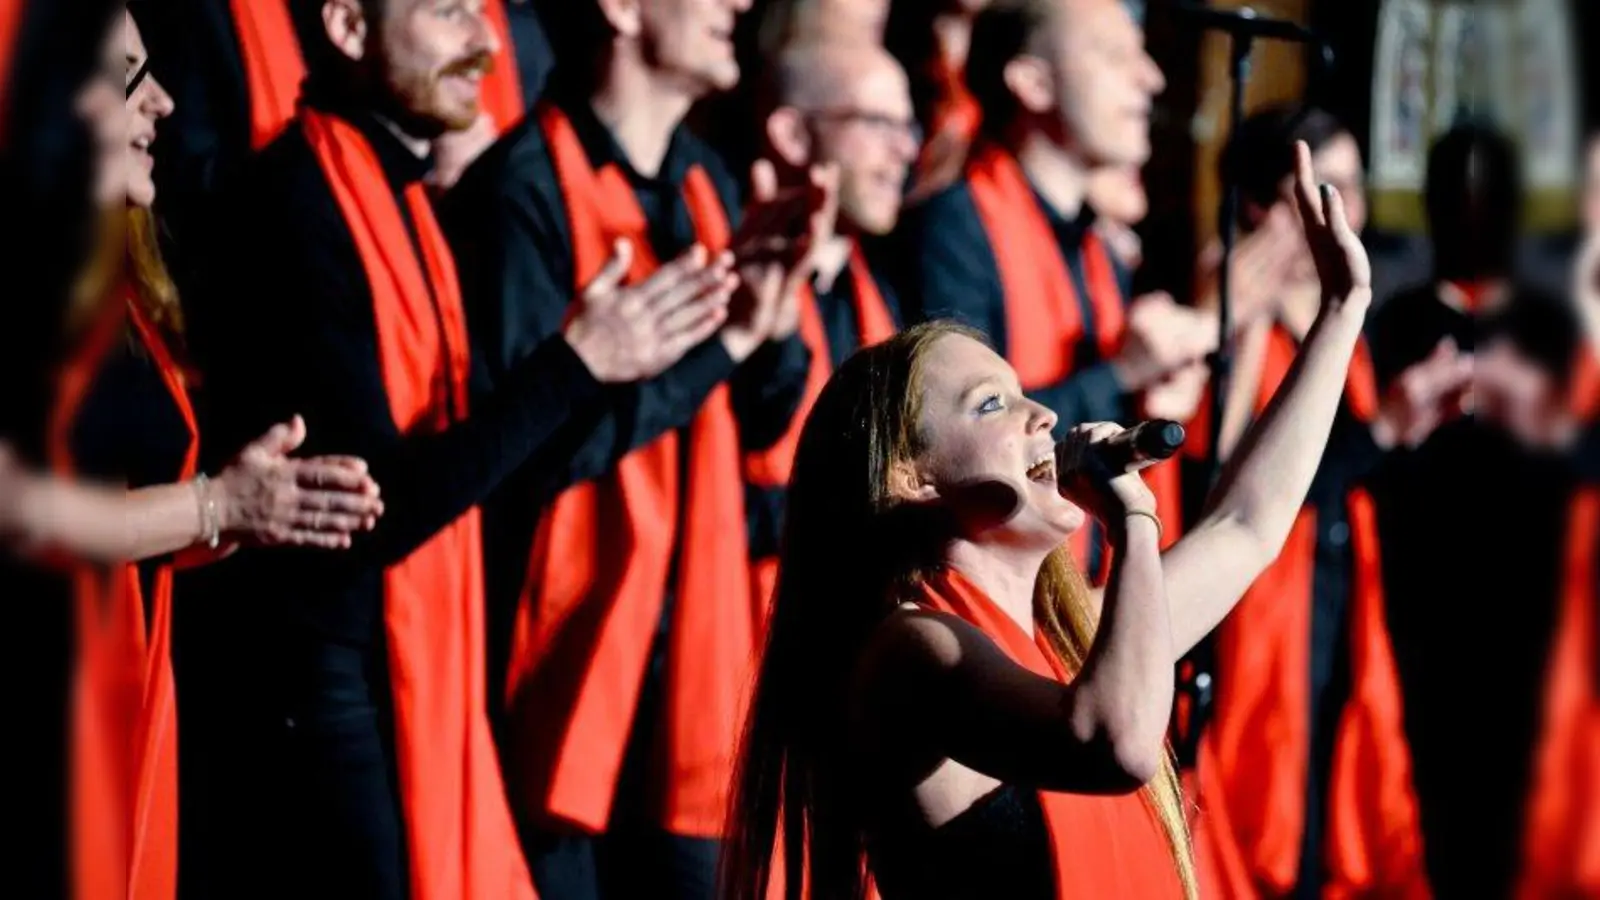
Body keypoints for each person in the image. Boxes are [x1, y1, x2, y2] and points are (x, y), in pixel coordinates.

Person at [177, 0, 742, 896]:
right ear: (349, 29)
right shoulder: (293, 204)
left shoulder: (398, 194)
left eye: (485, 12)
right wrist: (577, 363)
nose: (486, 43)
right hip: (319, 702)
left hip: (390, 678)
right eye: (449, 12)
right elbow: (374, 511)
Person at [722, 142, 1374, 900]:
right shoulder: (910, 647)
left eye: (1025, 391)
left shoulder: (1071, 637)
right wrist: (1133, 518)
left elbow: (1246, 526)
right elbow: (1113, 741)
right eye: (992, 405)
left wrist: (1340, 311)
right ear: (911, 477)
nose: (1044, 416)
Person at [439, 1, 830, 896]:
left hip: (690, 654)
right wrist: (715, 352)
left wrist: (770, 325)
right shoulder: (522, 189)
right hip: (560, 660)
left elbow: (758, 429)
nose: (739, 4)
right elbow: (524, 461)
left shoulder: (706, 180)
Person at [1, 7, 385, 898]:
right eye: (131, 75)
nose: (164, 102)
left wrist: (248, 510)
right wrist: (218, 505)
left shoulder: (107, 279)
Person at [1188, 105, 1463, 899]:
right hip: (1262, 604)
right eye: (1325, 187)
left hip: (1335, 585)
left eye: (1354, 187)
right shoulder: (1235, 301)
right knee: (1268, 808)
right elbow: (1228, 475)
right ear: (1263, 206)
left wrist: (1402, 430)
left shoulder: (1340, 301)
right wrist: (1381, 432)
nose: (1351, 209)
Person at [899, 0, 1217, 574]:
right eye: (1116, 56)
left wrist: (1151, 404)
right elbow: (957, 448)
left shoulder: (1099, 250)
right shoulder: (953, 228)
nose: (1151, 77)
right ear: (1033, 82)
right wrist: (1122, 374)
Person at [1367, 122, 1594, 898]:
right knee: (1427, 753)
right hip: (1421, 578)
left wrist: (1537, 418)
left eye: (1485, 197)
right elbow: (1366, 454)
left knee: (1516, 768)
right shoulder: (1395, 322)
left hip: (1526, 584)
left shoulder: (1547, 324)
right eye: (1452, 197)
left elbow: (1579, 459)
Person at [744, 36, 916, 602]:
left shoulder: (881, 298)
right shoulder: (724, 280)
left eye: (907, 127)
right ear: (793, 134)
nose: (904, 150)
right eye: (876, 123)